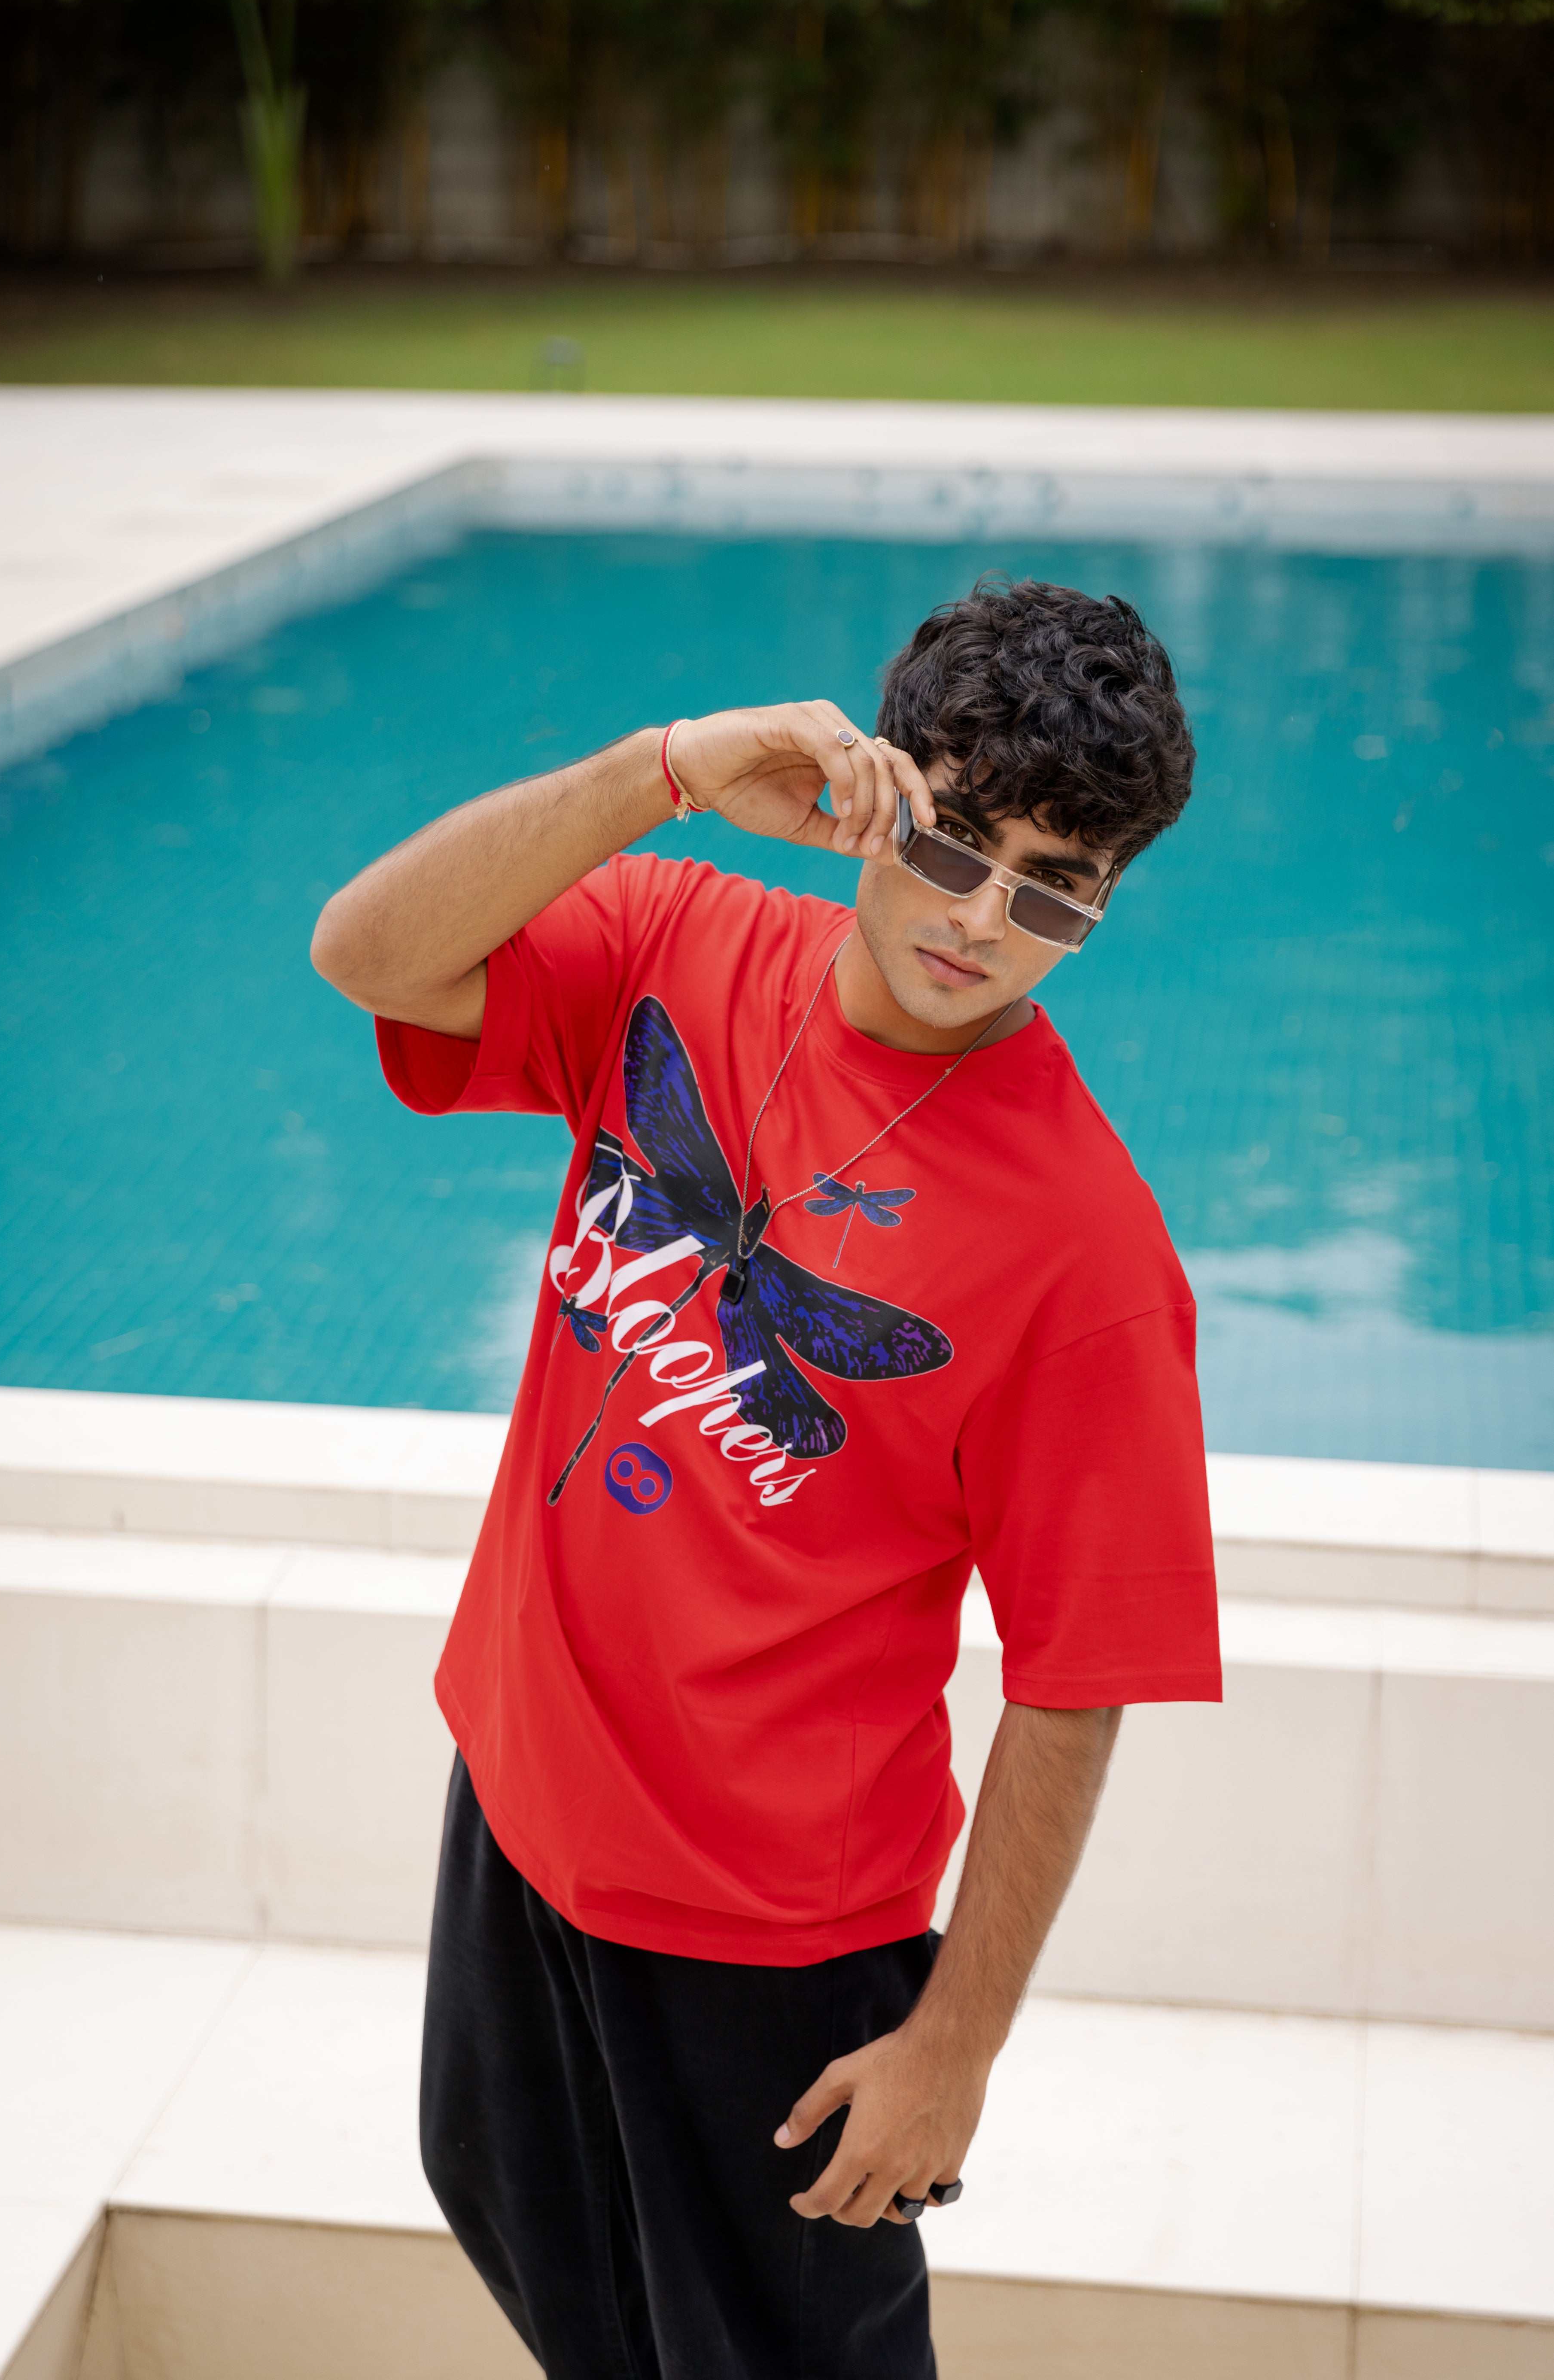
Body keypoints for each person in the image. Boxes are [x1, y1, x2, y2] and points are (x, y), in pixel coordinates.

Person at [311, 575, 1221, 2379]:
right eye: (956, 844)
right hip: (519, 1806)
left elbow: (1075, 1686)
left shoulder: (1087, 1258)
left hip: (769, 1945)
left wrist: (953, 2047)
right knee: (532, 2251)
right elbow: (369, 953)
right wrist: (660, 770)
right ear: (876, 790)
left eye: (1056, 890)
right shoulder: (670, 942)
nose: (981, 921)